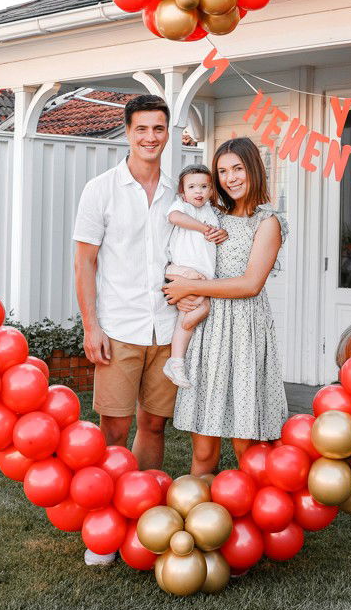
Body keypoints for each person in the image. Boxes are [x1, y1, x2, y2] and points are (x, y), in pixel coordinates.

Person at [74, 94, 198, 566]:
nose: (150, 137)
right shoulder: (100, 189)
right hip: (119, 327)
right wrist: (92, 326)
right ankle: (105, 524)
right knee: (114, 426)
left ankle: (145, 517)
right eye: (142, 129)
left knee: (154, 424)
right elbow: (85, 262)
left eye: (159, 129)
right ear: (127, 132)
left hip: (167, 331)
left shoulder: (179, 192)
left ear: (169, 134)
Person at [163, 136, 288, 478]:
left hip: (245, 330)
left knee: (246, 442)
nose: (230, 177)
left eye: (237, 168)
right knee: (203, 445)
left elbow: (250, 284)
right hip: (207, 329)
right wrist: (176, 282)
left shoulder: (267, 222)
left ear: (253, 170)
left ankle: (259, 518)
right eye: (222, 171)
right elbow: (179, 248)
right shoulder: (210, 216)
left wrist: (192, 286)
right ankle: (203, 519)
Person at [162, 164, 227, 389]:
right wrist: (203, 228)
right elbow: (174, 217)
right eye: (192, 187)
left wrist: (219, 232)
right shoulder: (183, 207)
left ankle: (176, 360)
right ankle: (177, 360)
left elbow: (217, 232)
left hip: (201, 278)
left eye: (203, 187)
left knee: (196, 311)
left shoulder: (211, 211)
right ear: (183, 192)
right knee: (196, 312)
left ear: (211, 191)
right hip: (182, 270)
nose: (198, 191)